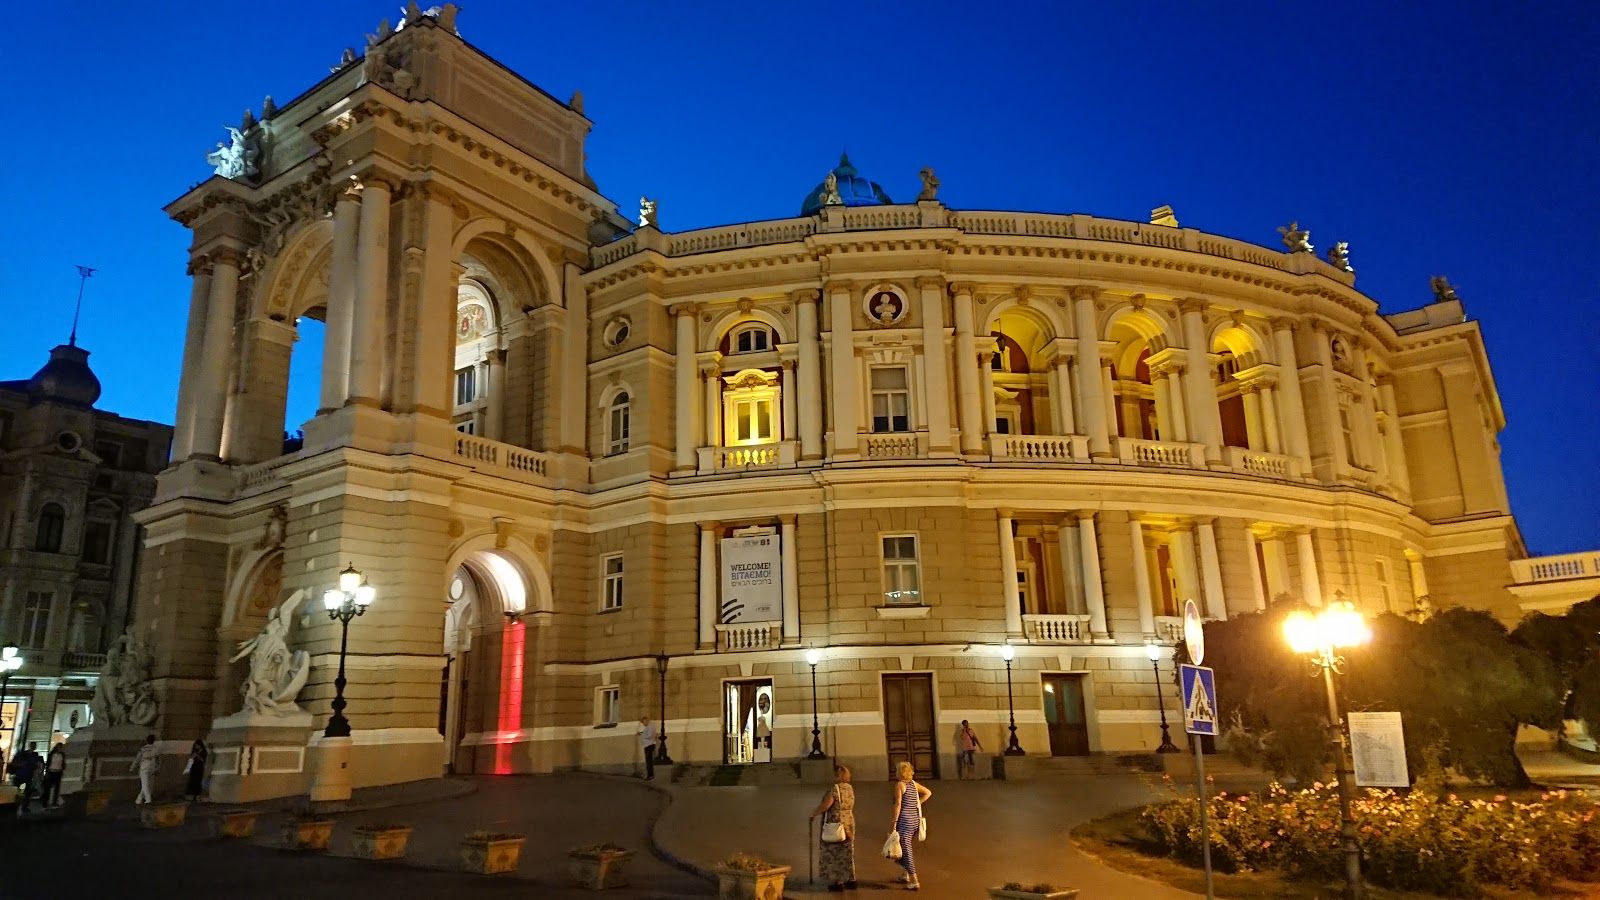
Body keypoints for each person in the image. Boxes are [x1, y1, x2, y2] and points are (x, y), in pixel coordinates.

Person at [810, 764, 857, 892]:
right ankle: (851, 879)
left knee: (833, 852)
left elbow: (827, 805)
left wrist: (814, 813)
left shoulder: (835, 789)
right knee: (847, 851)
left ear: (837, 775)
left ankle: (838, 881)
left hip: (835, 823)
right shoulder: (849, 788)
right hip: (849, 822)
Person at [890, 761, 932, 891]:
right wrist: (917, 802)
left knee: (905, 851)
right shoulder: (914, 784)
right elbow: (928, 793)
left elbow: (898, 805)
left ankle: (914, 881)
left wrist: (894, 822)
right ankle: (905, 874)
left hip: (904, 821)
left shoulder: (900, 785)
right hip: (915, 821)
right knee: (904, 847)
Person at [7, 742, 43, 814]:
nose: (33, 747)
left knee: (25, 792)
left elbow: (37, 765)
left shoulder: (33, 755)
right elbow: (16, 764)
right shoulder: (25, 755)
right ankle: (20, 806)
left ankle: (22, 806)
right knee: (23, 792)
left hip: (27, 776)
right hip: (23, 776)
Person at [131, 734, 158, 804]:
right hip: (152, 768)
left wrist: (132, 767)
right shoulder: (156, 749)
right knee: (147, 785)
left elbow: (137, 759)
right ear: (154, 741)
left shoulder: (142, 749)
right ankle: (138, 800)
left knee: (145, 785)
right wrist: (157, 768)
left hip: (144, 769)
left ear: (146, 740)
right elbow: (158, 760)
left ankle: (148, 800)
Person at [42, 742, 67, 807]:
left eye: (61, 747)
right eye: (59, 747)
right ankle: (45, 802)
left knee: (57, 788)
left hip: (58, 772)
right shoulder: (51, 754)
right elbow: (48, 764)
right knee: (48, 788)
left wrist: (62, 768)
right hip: (51, 771)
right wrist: (47, 772)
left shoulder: (62, 755)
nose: (60, 749)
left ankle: (54, 802)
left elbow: (63, 763)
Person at [638, 716, 659, 780]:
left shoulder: (650, 727)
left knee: (649, 761)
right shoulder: (650, 726)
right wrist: (642, 733)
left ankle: (650, 776)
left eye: (643, 722)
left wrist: (641, 734)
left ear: (646, 720)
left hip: (649, 745)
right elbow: (648, 734)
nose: (643, 724)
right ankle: (650, 775)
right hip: (649, 745)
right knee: (649, 761)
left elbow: (649, 735)